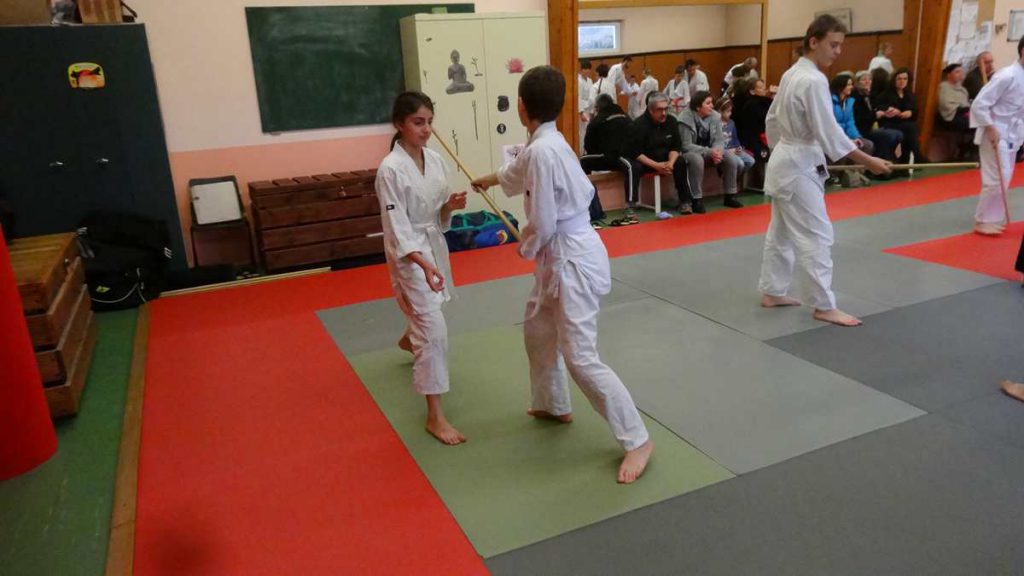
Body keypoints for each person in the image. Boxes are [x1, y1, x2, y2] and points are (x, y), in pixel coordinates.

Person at [471, 65, 654, 484]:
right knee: (538, 330)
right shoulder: (547, 142)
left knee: (580, 356)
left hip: (571, 257)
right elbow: (517, 172)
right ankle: (553, 404)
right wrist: (490, 180)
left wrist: (524, 245)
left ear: (521, 106)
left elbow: (543, 221)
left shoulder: (544, 150)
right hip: (562, 253)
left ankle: (638, 439)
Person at [757, 15, 892, 327]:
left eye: (840, 45)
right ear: (813, 41)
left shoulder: (792, 73)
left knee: (781, 232)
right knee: (817, 234)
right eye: (833, 44)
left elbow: (772, 120)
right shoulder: (814, 80)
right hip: (797, 164)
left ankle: (773, 291)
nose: (837, 51)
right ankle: (823, 305)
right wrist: (868, 160)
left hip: (787, 159)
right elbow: (829, 131)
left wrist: (781, 151)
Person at [376, 92, 469, 445]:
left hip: (431, 243)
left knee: (428, 313)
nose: (427, 129)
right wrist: (423, 264)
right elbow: (397, 228)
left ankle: (408, 338)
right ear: (399, 124)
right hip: (408, 254)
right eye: (418, 122)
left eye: (429, 121)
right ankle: (435, 416)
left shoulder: (435, 159)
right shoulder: (390, 169)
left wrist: (450, 206)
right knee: (434, 331)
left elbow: (438, 212)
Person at [969, 36, 1024, 236]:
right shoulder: (1006, 76)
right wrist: (990, 127)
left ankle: (992, 218)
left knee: (1005, 176)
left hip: (1013, 131)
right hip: (995, 130)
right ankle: (982, 221)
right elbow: (979, 104)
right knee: (995, 178)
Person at [626, 91, 695, 214]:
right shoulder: (638, 125)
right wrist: (656, 166)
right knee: (633, 166)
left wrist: (670, 163)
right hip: (646, 161)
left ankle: (685, 201)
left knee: (680, 161)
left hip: (665, 159)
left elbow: (676, 146)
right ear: (651, 110)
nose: (664, 113)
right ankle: (631, 205)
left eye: (666, 109)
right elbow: (636, 153)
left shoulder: (672, 121)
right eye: (659, 110)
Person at [679, 91, 744, 208]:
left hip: (711, 151)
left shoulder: (715, 116)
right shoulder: (685, 118)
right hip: (690, 152)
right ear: (698, 107)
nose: (712, 106)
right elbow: (686, 145)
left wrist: (717, 152)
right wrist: (710, 152)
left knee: (730, 158)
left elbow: (719, 140)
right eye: (708, 103)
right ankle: (696, 199)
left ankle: (730, 196)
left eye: (711, 103)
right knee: (697, 160)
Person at [582, 94, 638, 225]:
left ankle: (586, 203)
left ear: (598, 107)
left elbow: (589, 145)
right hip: (624, 157)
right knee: (631, 167)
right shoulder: (625, 116)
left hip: (606, 157)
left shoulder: (596, 121)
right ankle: (630, 205)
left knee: (582, 161)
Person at [830, 73, 876, 187]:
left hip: (846, 136)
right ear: (840, 86)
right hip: (833, 136)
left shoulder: (849, 102)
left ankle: (855, 173)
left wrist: (856, 137)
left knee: (867, 145)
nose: (851, 87)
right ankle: (835, 175)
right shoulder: (829, 101)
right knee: (843, 147)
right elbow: (832, 124)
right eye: (849, 85)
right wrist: (847, 139)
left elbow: (850, 122)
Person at [876, 67, 927, 164]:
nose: (902, 81)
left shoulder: (909, 94)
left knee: (909, 130)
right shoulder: (886, 94)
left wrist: (910, 113)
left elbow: (915, 111)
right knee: (910, 128)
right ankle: (917, 155)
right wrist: (891, 110)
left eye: (905, 79)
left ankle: (906, 161)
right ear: (894, 80)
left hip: (905, 123)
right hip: (890, 122)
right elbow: (880, 108)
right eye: (899, 79)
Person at [851, 70, 903, 163]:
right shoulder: (855, 97)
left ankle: (886, 159)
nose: (867, 82)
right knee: (890, 136)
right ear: (857, 83)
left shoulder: (869, 95)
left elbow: (877, 106)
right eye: (864, 80)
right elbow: (859, 118)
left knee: (898, 134)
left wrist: (887, 110)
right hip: (861, 129)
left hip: (871, 126)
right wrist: (875, 115)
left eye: (869, 79)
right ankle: (881, 161)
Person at [733, 76, 774, 161]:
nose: (764, 89)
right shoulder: (752, 104)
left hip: (761, 137)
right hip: (754, 140)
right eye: (760, 88)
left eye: (764, 87)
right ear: (752, 91)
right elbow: (767, 117)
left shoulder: (762, 100)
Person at [718, 97, 756, 176]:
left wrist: (739, 147)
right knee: (740, 164)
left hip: (734, 150)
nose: (730, 113)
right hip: (724, 152)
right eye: (727, 111)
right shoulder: (716, 124)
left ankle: (733, 177)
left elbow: (735, 139)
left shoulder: (731, 123)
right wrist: (728, 151)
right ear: (720, 111)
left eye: (730, 111)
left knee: (751, 161)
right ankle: (729, 176)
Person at [938, 63, 972, 132]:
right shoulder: (944, 87)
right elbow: (945, 104)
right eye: (957, 72)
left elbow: (966, 103)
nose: (960, 74)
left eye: (961, 72)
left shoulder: (963, 90)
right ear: (949, 75)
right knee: (973, 123)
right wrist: (962, 109)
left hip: (963, 114)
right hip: (951, 116)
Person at [578, 59, 596, 153]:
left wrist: (593, 111)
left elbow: (592, 97)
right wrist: (581, 113)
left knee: (589, 132)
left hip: (589, 109)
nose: (587, 71)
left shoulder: (590, 80)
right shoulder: (578, 80)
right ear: (581, 69)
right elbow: (578, 97)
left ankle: (587, 153)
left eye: (589, 69)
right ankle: (581, 154)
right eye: (585, 69)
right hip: (582, 110)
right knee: (582, 133)